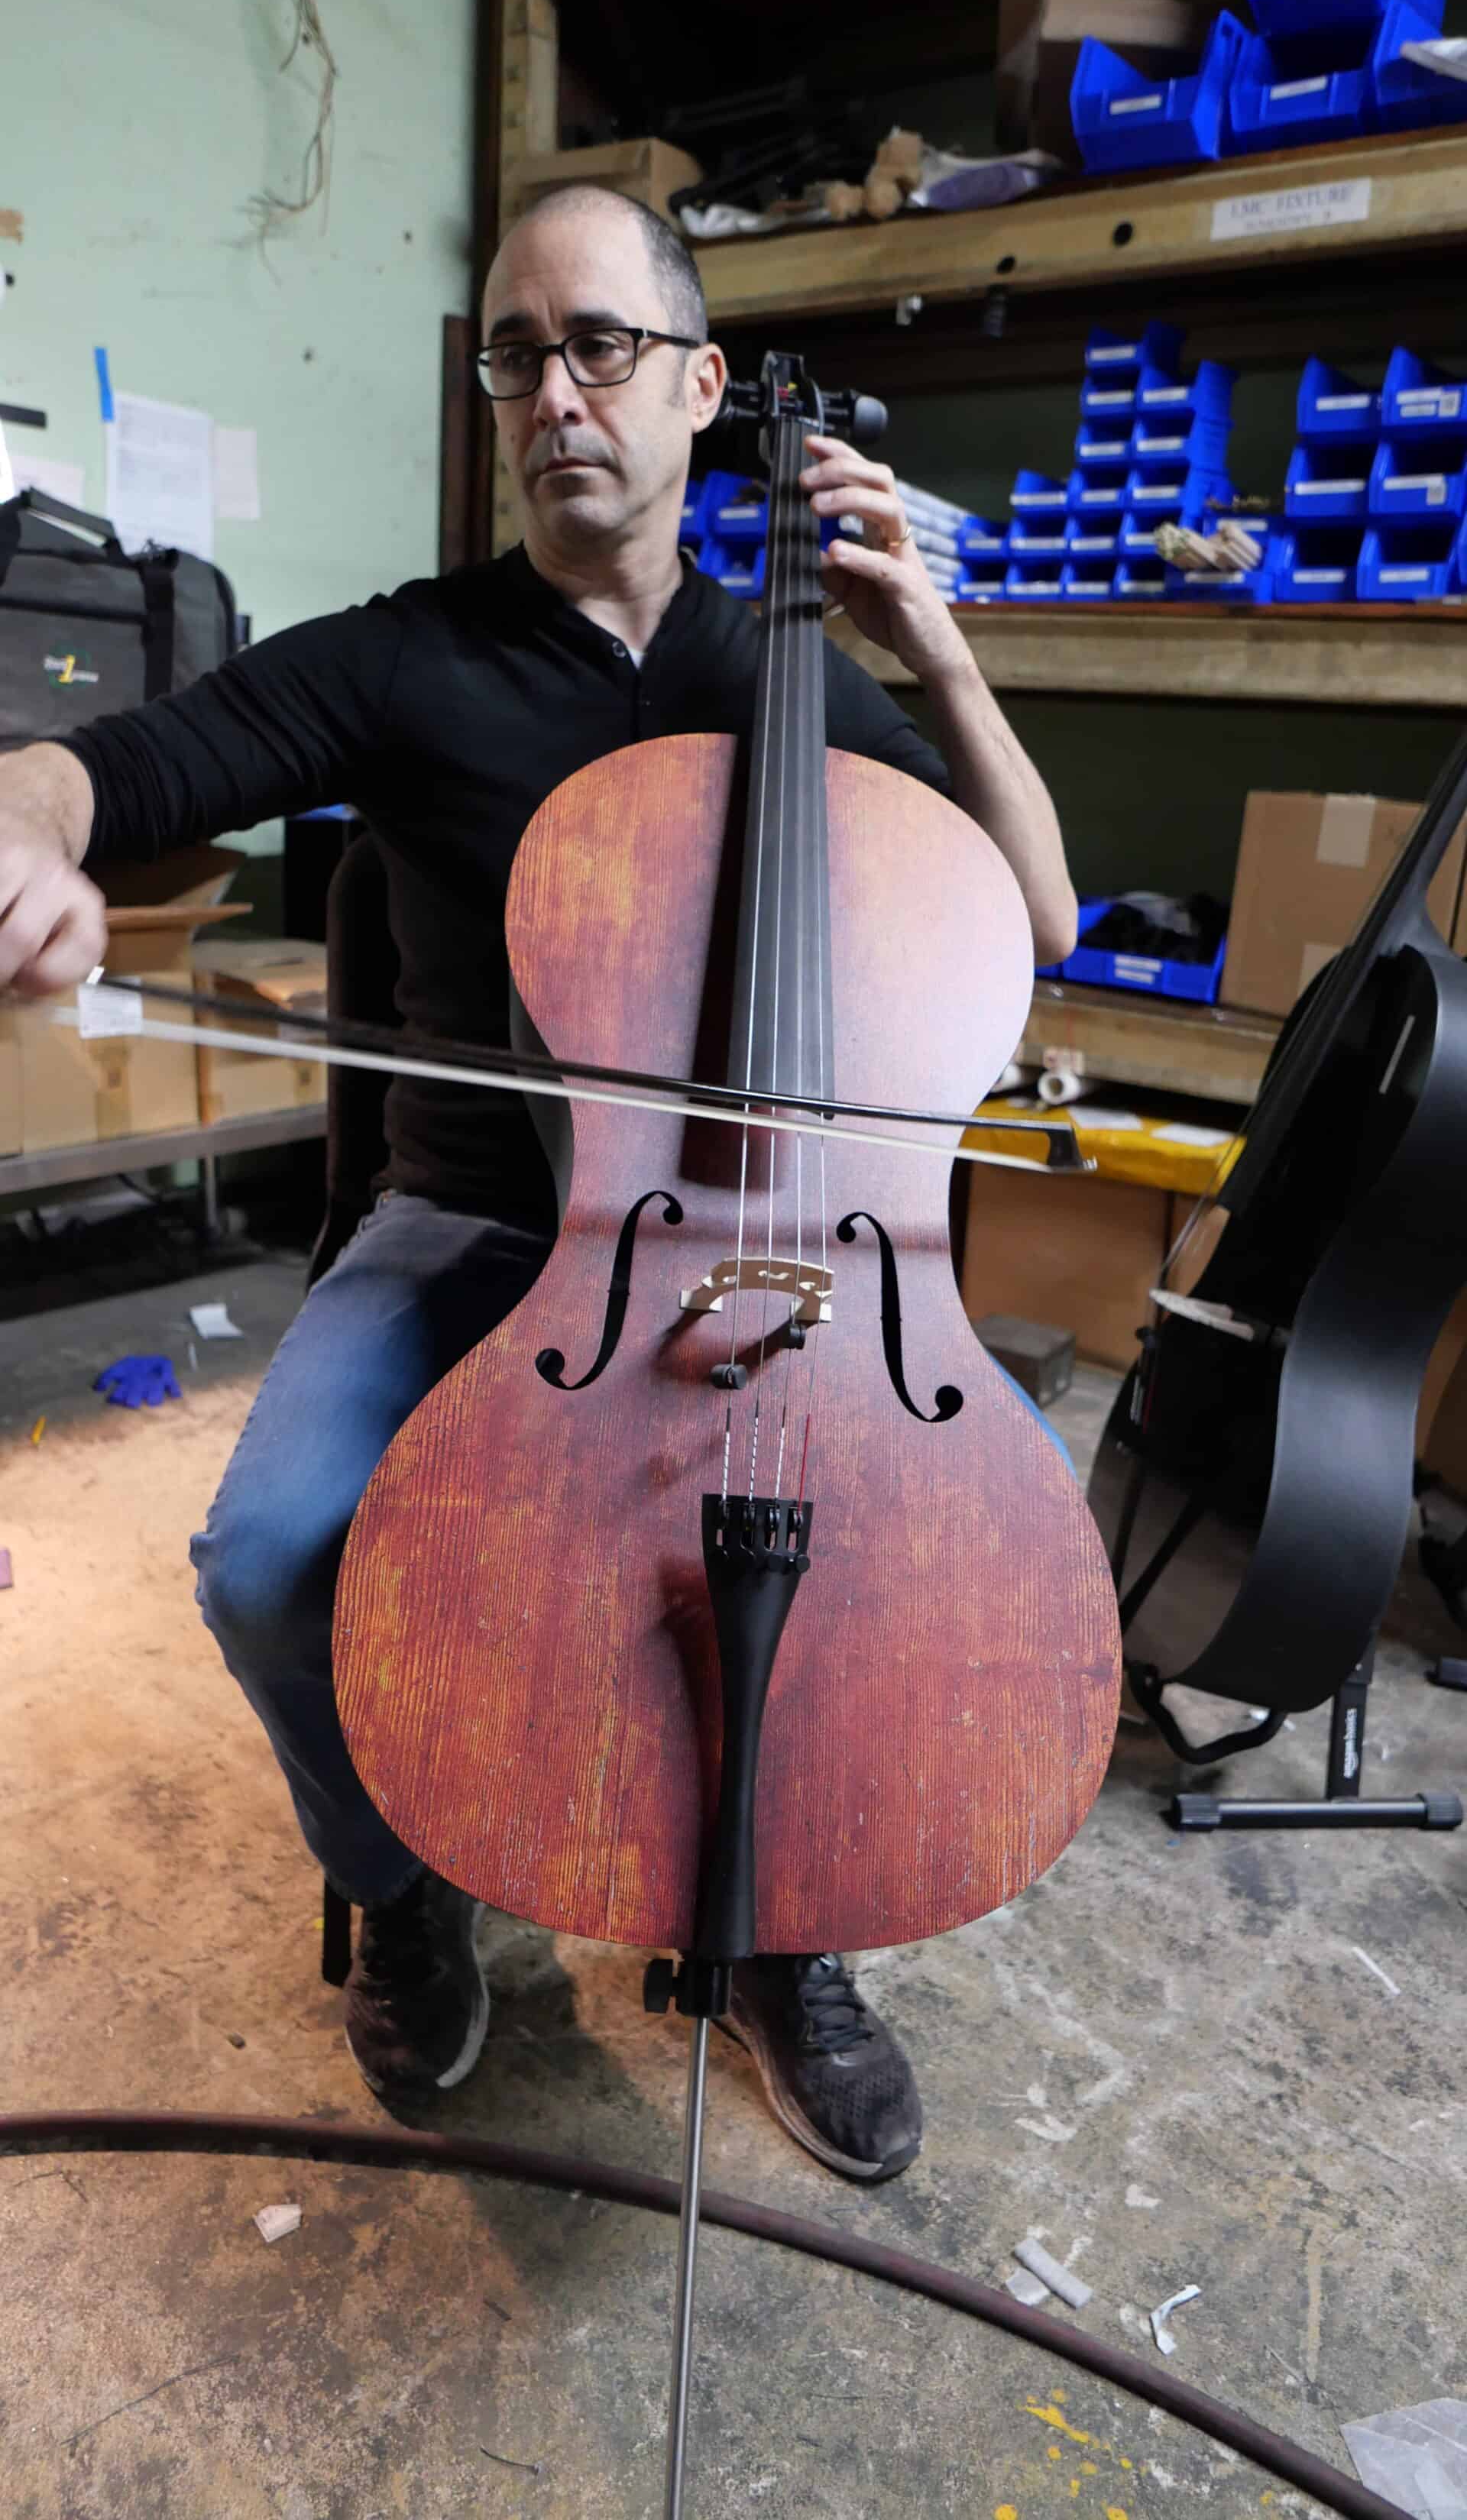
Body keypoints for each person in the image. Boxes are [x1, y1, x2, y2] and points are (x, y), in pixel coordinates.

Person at [0, 185, 1077, 2184]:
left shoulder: (800, 682)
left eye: (596, 345)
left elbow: (1030, 921)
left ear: (700, 385)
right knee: (269, 1556)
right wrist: (23, 810)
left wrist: (931, 650)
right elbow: (115, 769)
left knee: (961, 1542)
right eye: (515, 352)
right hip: (474, 1228)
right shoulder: (412, 663)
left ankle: (778, 1923)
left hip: (775, 1247)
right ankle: (404, 1882)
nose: (552, 391)